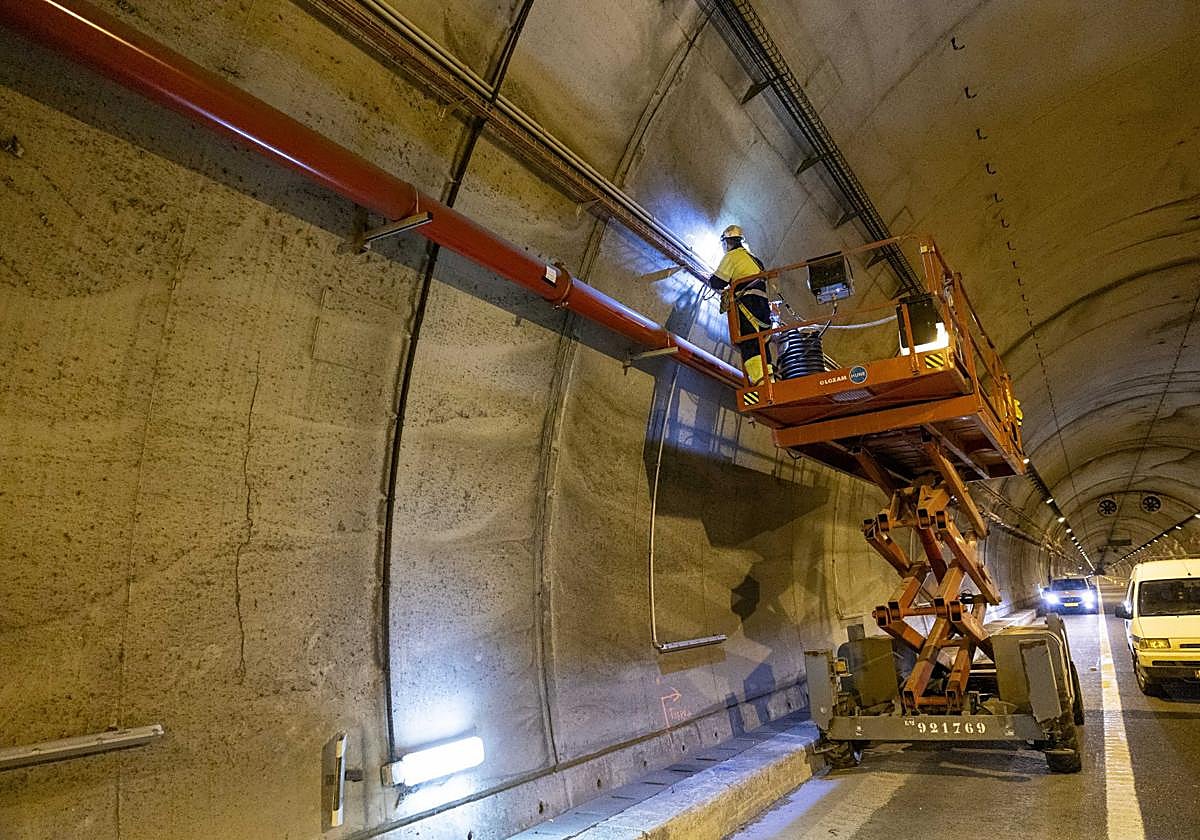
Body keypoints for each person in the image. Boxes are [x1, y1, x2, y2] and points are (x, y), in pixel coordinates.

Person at [706, 225, 772, 390]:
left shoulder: (732, 256)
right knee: (762, 340)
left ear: (727, 242)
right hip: (763, 303)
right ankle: (770, 378)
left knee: (748, 340)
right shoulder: (755, 259)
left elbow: (717, 282)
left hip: (747, 302)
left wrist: (711, 279)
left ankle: (760, 382)